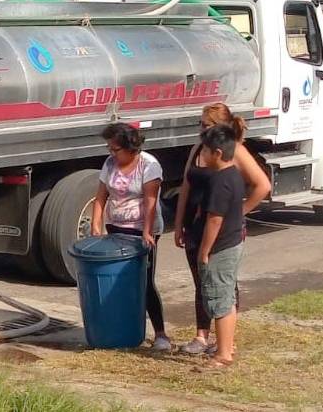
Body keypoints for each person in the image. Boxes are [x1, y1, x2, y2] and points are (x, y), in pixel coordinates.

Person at [174, 103, 270, 355]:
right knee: (201, 282)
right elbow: (186, 185)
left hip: (220, 229)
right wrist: (178, 222)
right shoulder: (199, 148)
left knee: (223, 282)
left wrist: (239, 212)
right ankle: (201, 336)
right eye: (201, 124)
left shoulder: (233, 151)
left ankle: (225, 342)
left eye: (207, 125)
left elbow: (262, 185)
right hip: (195, 224)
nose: (202, 130)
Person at [92, 122, 171, 351]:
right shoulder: (109, 164)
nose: (111, 154)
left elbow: (150, 201)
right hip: (116, 226)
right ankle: (121, 328)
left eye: (115, 149)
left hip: (141, 230)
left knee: (144, 282)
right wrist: (96, 226)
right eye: (109, 149)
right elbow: (100, 197)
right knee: (118, 282)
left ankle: (160, 334)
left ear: (131, 148)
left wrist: (147, 232)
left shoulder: (149, 165)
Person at [195, 125, 246, 369]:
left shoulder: (220, 182)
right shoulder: (234, 173)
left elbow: (214, 219)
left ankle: (224, 353)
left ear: (216, 153)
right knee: (226, 296)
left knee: (220, 298)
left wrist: (204, 250)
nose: (201, 153)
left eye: (204, 149)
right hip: (233, 242)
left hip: (221, 247)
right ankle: (227, 345)